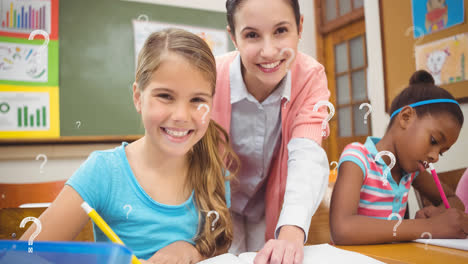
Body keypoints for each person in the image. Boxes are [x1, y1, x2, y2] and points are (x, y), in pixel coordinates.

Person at [21, 28, 239, 263]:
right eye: (165, 96)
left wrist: (190, 250)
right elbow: (25, 254)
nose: (181, 115)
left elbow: (216, 253)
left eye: (197, 100)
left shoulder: (214, 171)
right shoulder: (104, 171)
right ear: (138, 97)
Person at [212, 0, 331, 262]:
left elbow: (307, 154)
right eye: (252, 35)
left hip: (271, 206)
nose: (268, 52)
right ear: (233, 36)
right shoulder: (211, 76)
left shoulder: (310, 77)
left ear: (299, 27)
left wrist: (291, 231)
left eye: (280, 31)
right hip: (216, 203)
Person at [330, 70, 468, 245]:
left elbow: (455, 201)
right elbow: (342, 229)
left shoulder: (411, 172)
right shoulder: (358, 159)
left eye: (441, 152)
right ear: (406, 117)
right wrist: (429, 227)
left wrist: (438, 215)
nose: (435, 157)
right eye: (433, 141)